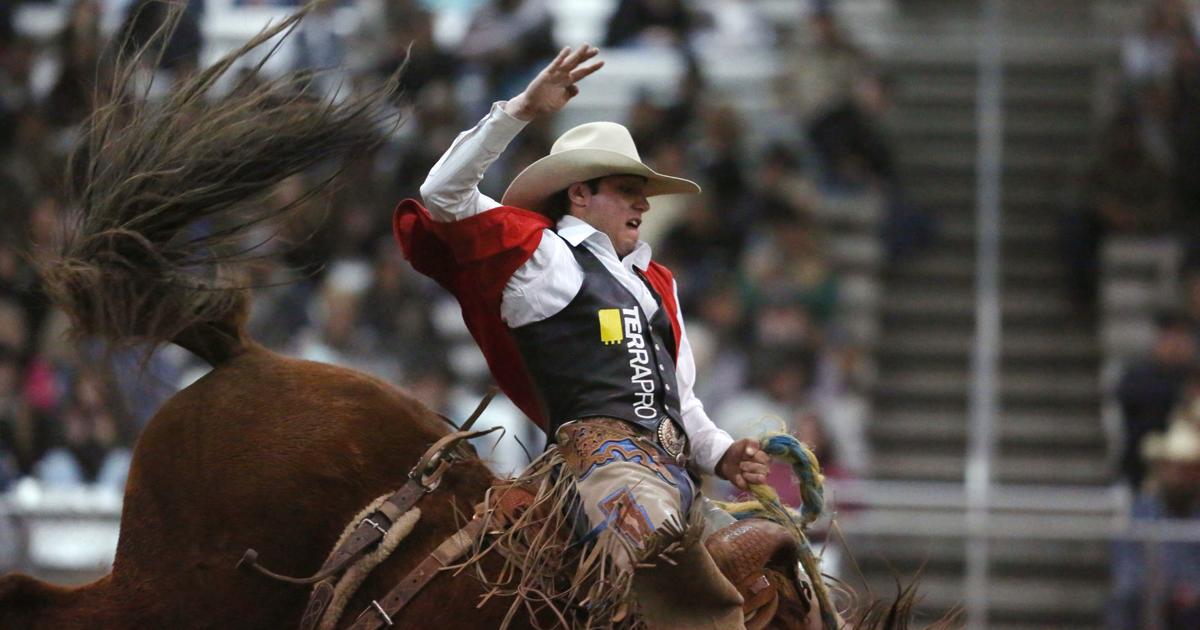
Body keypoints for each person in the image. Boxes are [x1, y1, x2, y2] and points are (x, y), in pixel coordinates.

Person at [394, 45, 771, 628]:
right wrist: (519, 109)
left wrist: (723, 453)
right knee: (678, 584)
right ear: (578, 195)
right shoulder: (542, 256)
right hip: (600, 468)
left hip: (676, 478)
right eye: (627, 188)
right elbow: (443, 195)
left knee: (777, 575)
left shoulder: (656, 283)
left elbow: (681, 402)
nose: (644, 202)